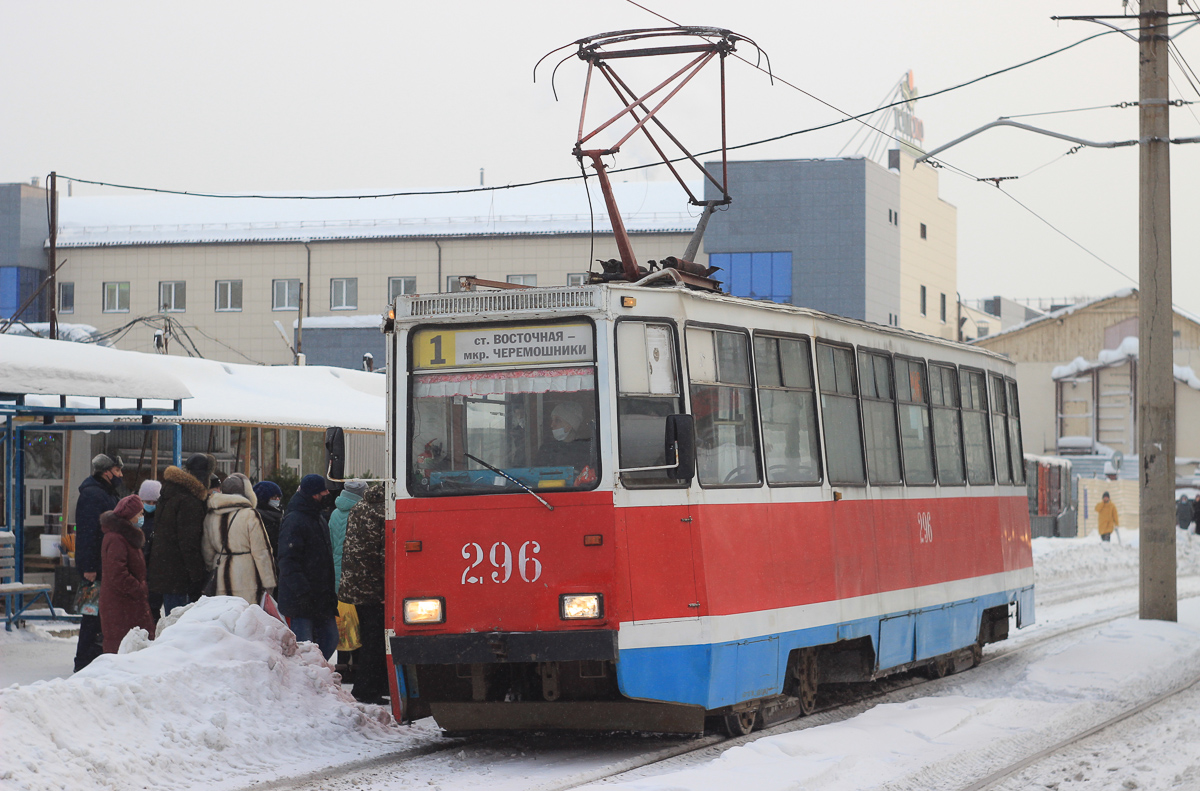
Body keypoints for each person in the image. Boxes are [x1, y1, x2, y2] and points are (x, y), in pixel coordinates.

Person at [277, 474, 339, 659]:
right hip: (302, 599)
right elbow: (288, 561)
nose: (327, 494)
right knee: (305, 648)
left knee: (330, 639)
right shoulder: (295, 520)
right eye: (323, 491)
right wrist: (302, 592)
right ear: (313, 494)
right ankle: (306, 680)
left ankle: (315, 675)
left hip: (320, 597)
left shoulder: (317, 517)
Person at [73, 453, 124, 671]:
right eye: (118, 470)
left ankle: (92, 657)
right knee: (92, 614)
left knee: (100, 613)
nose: (121, 475)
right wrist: (89, 567)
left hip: (103, 562)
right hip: (96, 566)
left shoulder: (105, 492)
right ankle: (84, 660)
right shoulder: (94, 495)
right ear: (107, 472)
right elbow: (87, 533)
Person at [340, 482, 387, 704]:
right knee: (375, 641)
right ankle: (367, 690)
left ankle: (368, 687)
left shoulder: (360, 506)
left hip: (354, 583)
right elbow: (385, 554)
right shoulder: (383, 511)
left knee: (367, 640)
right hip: (373, 586)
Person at [148, 453, 213, 614]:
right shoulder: (189, 501)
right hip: (181, 575)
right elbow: (189, 542)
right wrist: (198, 576)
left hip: (166, 571)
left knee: (173, 623)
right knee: (182, 625)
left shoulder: (170, 493)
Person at [201, 473, 277, 605]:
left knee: (224, 620)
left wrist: (212, 566)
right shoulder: (250, 515)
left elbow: (207, 551)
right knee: (245, 618)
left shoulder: (211, 515)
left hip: (220, 577)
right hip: (247, 577)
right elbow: (261, 552)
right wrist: (268, 581)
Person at [99, 494, 156, 654]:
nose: (142, 517)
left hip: (127, 602)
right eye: (139, 514)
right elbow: (117, 573)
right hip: (121, 604)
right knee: (122, 647)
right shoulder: (117, 539)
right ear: (130, 516)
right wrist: (138, 588)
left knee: (132, 645)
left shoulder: (127, 536)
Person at [329, 480, 366, 597]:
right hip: (355, 570)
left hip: (335, 568)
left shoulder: (334, 513)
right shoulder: (362, 514)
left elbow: (330, 542)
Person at [532, 402, 592, 469]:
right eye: (552, 420)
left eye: (557, 420)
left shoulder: (585, 450)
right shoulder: (546, 449)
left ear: (569, 426)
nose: (552, 425)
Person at [137, 479, 163, 619]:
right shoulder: (137, 519)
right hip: (140, 569)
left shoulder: (161, 520)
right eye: (148, 502)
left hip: (154, 571)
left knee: (153, 608)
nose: (151, 505)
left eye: (154, 503)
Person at [253, 480, 284, 559]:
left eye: (279, 497)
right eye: (274, 497)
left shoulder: (279, 515)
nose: (277, 499)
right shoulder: (257, 517)